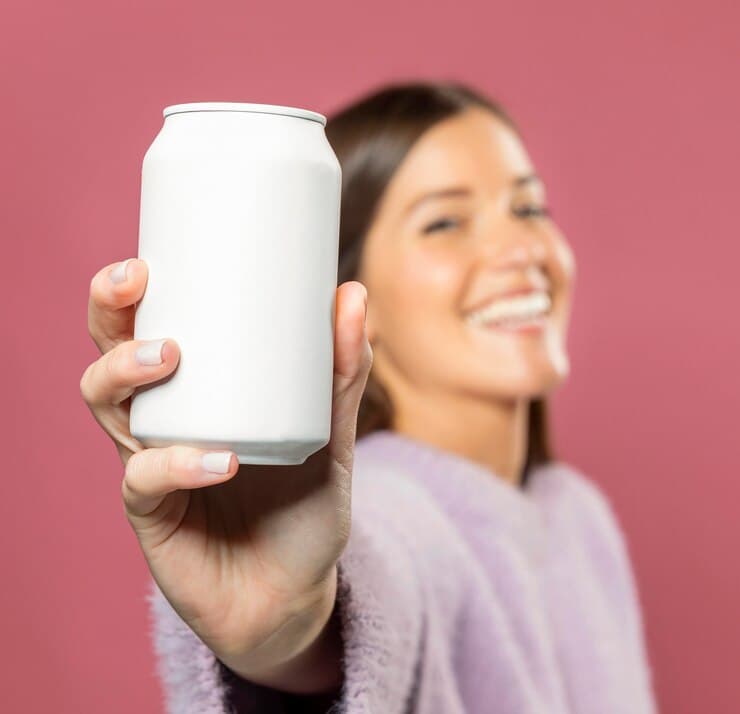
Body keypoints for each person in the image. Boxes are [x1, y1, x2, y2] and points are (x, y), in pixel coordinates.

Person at [80, 81, 658, 713]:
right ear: (351, 294)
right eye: (445, 223)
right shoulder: (386, 514)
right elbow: (374, 584)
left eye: (528, 209)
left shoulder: (578, 517)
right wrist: (285, 635)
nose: (521, 251)